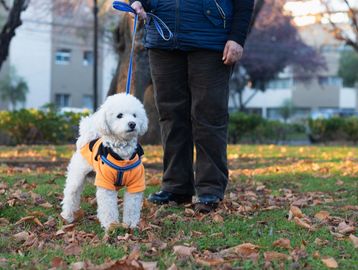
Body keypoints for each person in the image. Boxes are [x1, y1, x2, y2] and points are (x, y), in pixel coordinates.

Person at [130, 0, 254, 212]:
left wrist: (237, 38)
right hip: (162, 36)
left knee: (208, 116)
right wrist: (135, 2)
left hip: (211, 37)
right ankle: (176, 187)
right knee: (171, 116)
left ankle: (210, 190)